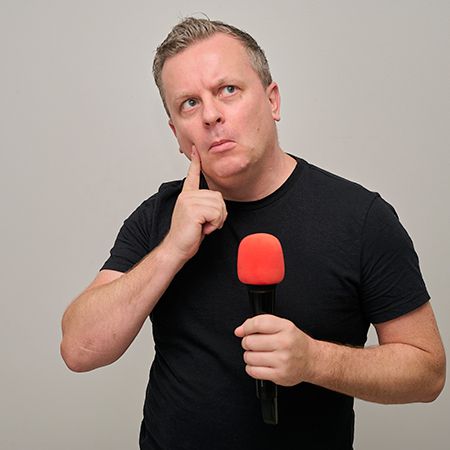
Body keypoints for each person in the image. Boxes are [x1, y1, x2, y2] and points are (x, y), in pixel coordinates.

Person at [60, 17, 446, 450]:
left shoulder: (360, 218)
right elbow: (80, 349)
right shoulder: (160, 217)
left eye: (228, 90)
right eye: (189, 103)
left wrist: (314, 360)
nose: (211, 115)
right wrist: (171, 251)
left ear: (272, 100)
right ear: (177, 135)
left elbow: (427, 372)